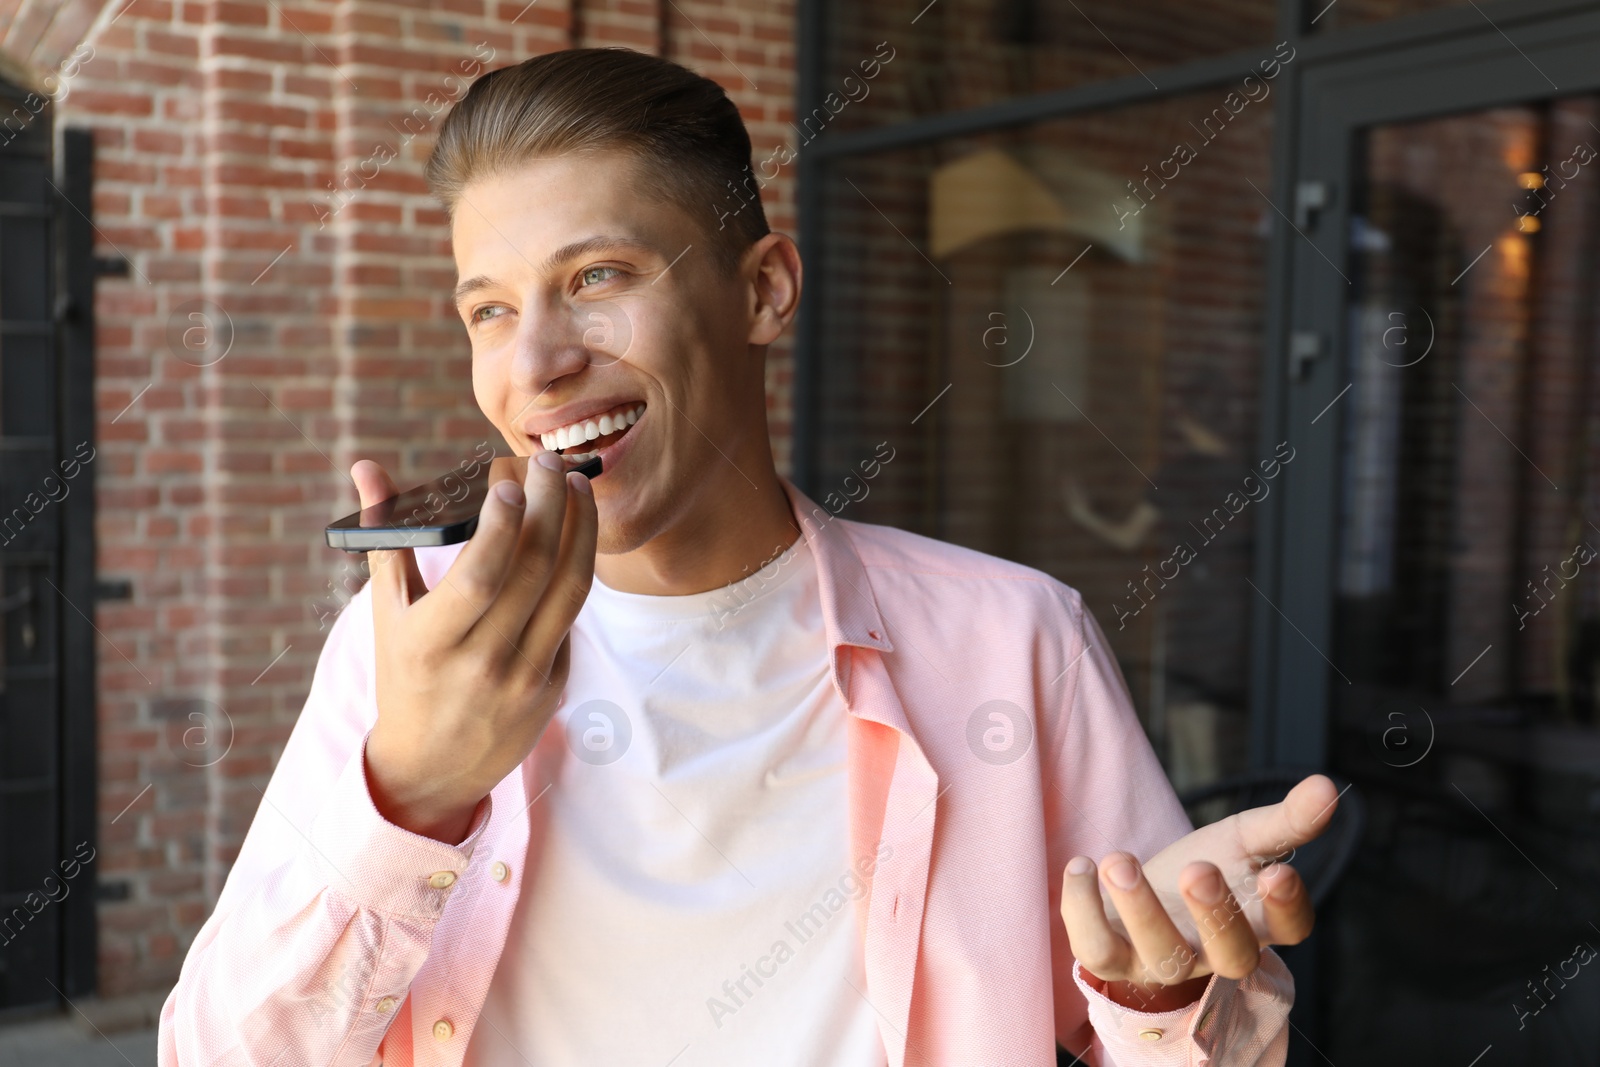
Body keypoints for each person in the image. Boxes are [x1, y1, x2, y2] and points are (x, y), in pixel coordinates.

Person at [158, 46, 1337, 1067]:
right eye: (490, 309)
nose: (534, 366)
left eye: (596, 279)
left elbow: (1197, 1030)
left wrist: (1158, 995)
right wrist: (410, 792)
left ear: (763, 290)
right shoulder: (401, 652)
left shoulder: (1012, 640)